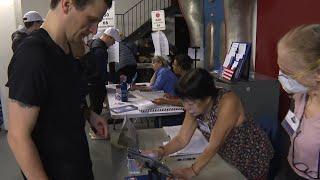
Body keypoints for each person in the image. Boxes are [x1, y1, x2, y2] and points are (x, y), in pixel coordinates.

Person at [6, 0, 112, 179]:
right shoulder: (33, 55)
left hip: (79, 167)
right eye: (91, 19)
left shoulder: (67, 49)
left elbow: (63, 98)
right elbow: (18, 137)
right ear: (67, 4)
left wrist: (89, 114)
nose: (94, 30)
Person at [144, 69, 274, 180]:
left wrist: (192, 170)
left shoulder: (228, 101)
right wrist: (160, 151)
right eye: (184, 102)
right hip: (230, 160)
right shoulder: (196, 106)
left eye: (189, 103)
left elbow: (214, 144)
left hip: (252, 159)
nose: (186, 108)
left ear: (206, 98)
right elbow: (181, 139)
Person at [277, 24, 320, 179]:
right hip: (290, 169)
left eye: (288, 73)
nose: (281, 77)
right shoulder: (300, 95)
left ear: (317, 74)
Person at [83, 27, 120, 115]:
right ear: (109, 37)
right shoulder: (100, 51)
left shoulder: (92, 43)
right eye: (113, 41)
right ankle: (95, 128)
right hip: (95, 86)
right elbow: (100, 73)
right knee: (96, 111)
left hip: (88, 83)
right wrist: (117, 78)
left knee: (91, 110)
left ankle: (93, 127)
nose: (113, 43)